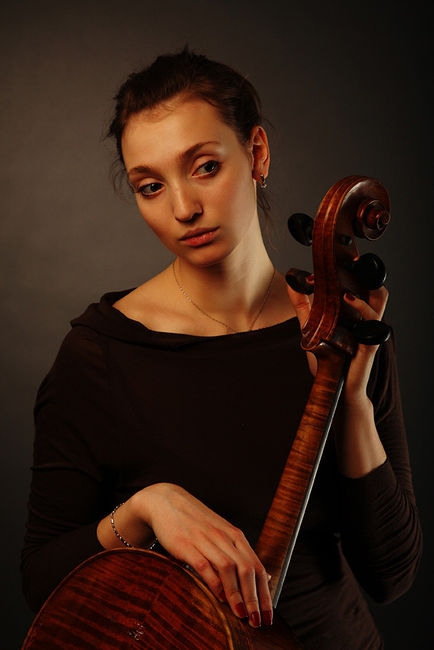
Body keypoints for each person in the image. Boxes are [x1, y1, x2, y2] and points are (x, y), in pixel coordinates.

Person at [21, 48, 422, 649]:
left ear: (257, 153)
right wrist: (146, 509)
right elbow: (42, 582)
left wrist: (353, 402)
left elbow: (391, 576)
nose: (183, 208)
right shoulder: (99, 354)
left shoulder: (341, 327)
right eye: (151, 186)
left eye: (205, 166)